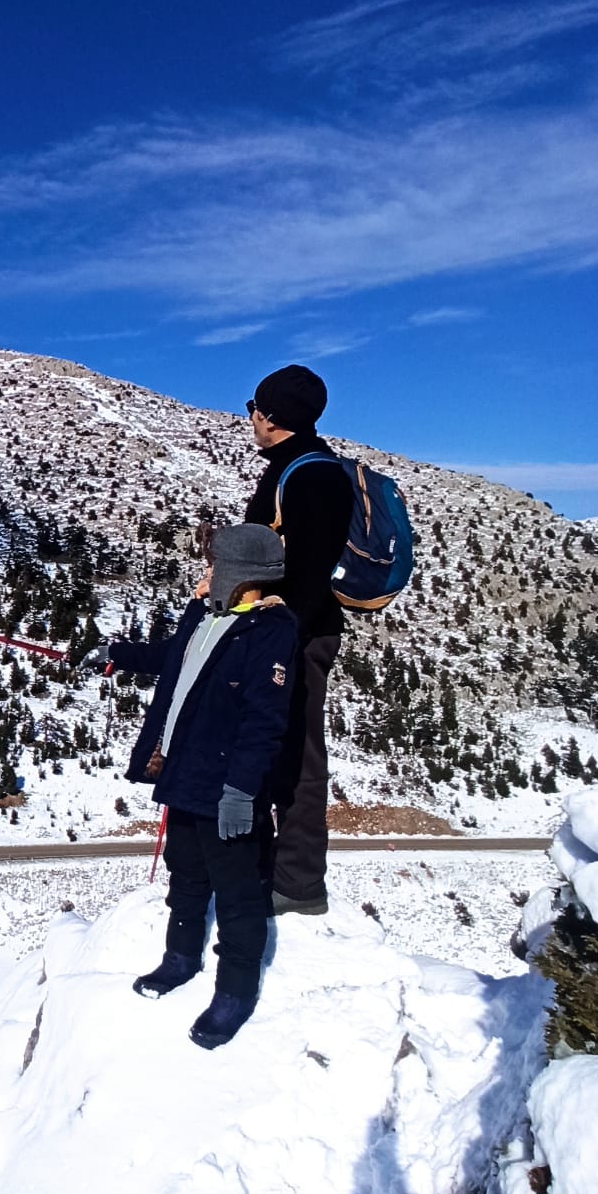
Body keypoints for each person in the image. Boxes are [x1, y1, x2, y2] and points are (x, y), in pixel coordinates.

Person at [107, 524, 297, 1049]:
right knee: (185, 876)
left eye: (216, 565)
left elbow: (265, 722)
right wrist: (116, 654)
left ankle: (235, 992)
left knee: (238, 895)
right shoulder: (205, 616)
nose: (206, 573)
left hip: (226, 789)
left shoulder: (271, 632)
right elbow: (171, 660)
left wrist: (240, 791)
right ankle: (179, 959)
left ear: (242, 574)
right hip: (183, 774)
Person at [242, 365, 353, 915]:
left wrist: (280, 631)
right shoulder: (302, 466)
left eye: (252, 410)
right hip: (291, 632)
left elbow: (307, 573)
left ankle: (299, 885)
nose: (251, 420)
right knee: (274, 749)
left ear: (269, 417)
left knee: (300, 757)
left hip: (297, 637)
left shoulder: (307, 475)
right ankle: (274, 871)